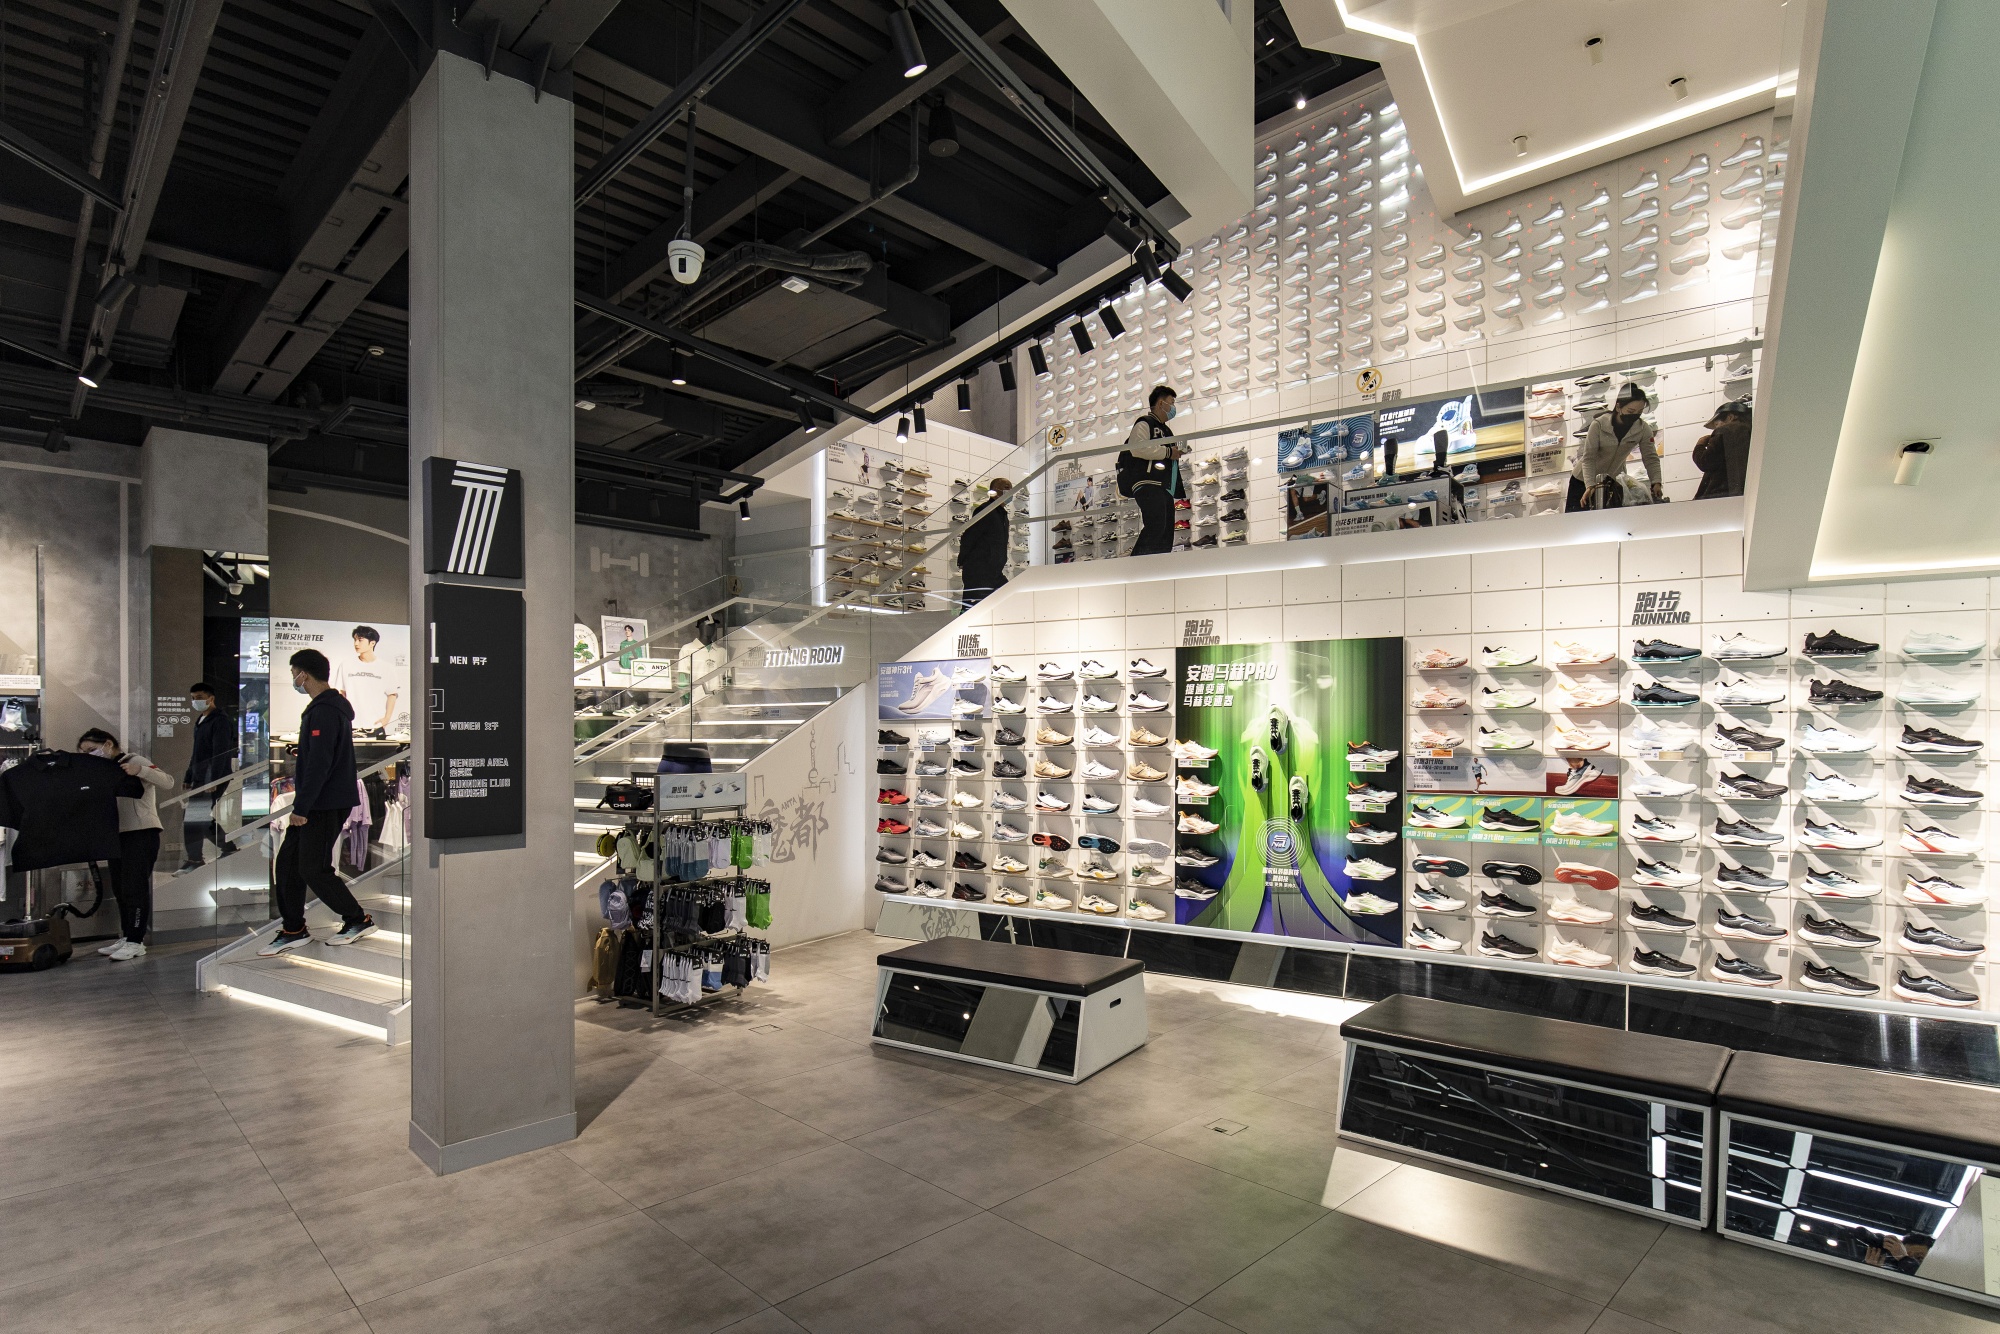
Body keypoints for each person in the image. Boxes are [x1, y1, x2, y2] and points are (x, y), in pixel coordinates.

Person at [260, 648, 375, 955]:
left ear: (304, 675)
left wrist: (301, 808)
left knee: (313, 868)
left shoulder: (325, 710)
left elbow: (321, 764)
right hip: (320, 800)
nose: (294, 680)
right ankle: (293, 928)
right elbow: (324, 753)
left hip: (324, 803)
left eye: (293, 674)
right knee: (287, 865)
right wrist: (304, 751)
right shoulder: (324, 709)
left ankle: (357, 919)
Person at [78, 728, 174, 960]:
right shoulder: (103, 769)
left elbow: (168, 782)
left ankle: (136, 941)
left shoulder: (134, 760)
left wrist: (140, 770)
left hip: (141, 833)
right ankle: (127, 935)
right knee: (120, 888)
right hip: (117, 836)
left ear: (108, 744)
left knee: (134, 887)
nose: (89, 755)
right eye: (84, 752)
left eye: (92, 749)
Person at [1567, 382, 1664, 511]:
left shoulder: (1643, 429)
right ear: (1618, 407)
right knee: (1577, 520)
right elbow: (1589, 458)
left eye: (1640, 412)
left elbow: (1650, 457)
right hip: (1583, 480)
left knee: (1610, 521)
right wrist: (1590, 485)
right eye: (1631, 411)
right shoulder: (1599, 425)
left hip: (1612, 483)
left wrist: (1656, 482)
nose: (1635, 415)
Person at [1123, 385, 1186, 556]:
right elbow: (1137, 448)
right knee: (1156, 526)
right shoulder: (1145, 423)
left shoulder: (1166, 430)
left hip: (1164, 487)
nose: (1173, 407)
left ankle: (1157, 566)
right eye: (1171, 403)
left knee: (1166, 532)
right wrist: (1168, 452)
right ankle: (1137, 565)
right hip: (1148, 482)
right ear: (1160, 403)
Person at [180, 681, 236, 869]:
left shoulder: (220, 721)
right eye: (193, 698)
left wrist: (214, 780)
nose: (195, 701)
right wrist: (189, 776)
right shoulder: (201, 720)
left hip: (212, 778)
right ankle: (224, 848)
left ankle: (196, 858)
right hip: (200, 776)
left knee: (194, 817)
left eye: (199, 698)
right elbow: (197, 752)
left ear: (211, 698)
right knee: (196, 817)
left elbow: (220, 752)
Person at [331, 625, 399, 737]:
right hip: (351, 725)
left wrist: (386, 719)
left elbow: (392, 694)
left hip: (375, 726)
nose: (356, 643)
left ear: (372, 643)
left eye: (360, 640)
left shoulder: (386, 667)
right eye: (355, 640)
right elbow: (341, 693)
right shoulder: (346, 665)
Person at [956, 477, 1012, 606]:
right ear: (994, 491)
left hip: (994, 572)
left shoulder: (1003, 515)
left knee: (1007, 599)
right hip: (979, 570)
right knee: (973, 608)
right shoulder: (986, 510)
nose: (1010, 491)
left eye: (1011, 488)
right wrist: (963, 560)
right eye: (1006, 488)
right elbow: (970, 535)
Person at [1692, 398, 1752, 499]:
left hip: (1719, 494)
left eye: (1716, 424)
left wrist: (1700, 445)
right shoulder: (1751, 432)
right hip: (1744, 492)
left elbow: (1705, 462)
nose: (1716, 428)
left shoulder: (1725, 430)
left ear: (1730, 417)